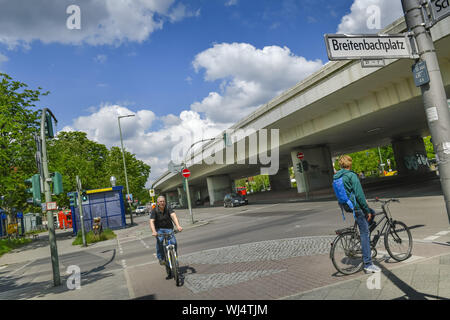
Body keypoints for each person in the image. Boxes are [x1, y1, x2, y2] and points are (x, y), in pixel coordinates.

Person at [334, 155, 380, 273]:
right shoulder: (351, 175)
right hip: (356, 207)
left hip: (346, 205)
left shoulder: (337, 176)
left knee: (372, 214)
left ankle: (364, 234)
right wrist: (366, 209)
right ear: (349, 164)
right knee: (365, 233)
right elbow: (359, 194)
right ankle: (368, 264)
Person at [150, 195, 183, 265]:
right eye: (160, 201)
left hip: (169, 228)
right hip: (159, 229)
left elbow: (174, 216)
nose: (162, 203)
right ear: (157, 203)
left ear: (165, 202)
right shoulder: (154, 210)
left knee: (174, 242)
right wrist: (154, 231)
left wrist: (178, 226)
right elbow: (151, 221)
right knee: (160, 241)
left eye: (163, 201)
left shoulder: (168, 208)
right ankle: (161, 258)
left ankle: (175, 257)